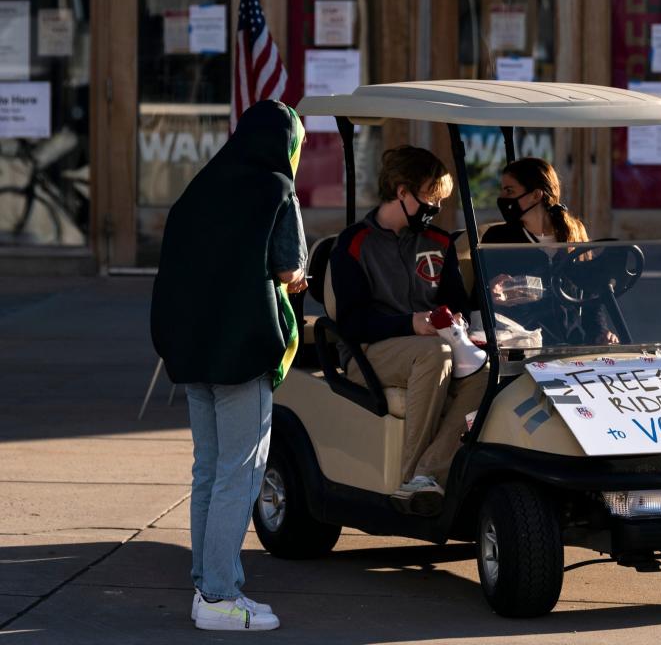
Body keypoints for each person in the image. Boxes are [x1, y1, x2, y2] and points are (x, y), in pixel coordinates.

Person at [151, 100, 308, 632]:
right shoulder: (275, 190)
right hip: (243, 352)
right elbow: (289, 268)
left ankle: (208, 587)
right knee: (239, 475)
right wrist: (294, 280)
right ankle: (219, 596)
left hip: (192, 351)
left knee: (209, 472)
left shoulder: (199, 188)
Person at [329, 145, 486, 514]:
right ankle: (409, 479)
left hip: (433, 346)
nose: (436, 210)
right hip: (369, 350)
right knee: (434, 354)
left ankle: (425, 475)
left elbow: (455, 300)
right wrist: (410, 323)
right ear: (401, 191)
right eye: (429, 199)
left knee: (488, 371)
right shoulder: (353, 244)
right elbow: (350, 321)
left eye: (439, 201)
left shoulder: (439, 243)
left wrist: (457, 320)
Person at [482, 157, 618, 345]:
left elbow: (590, 299)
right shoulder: (498, 238)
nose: (502, 198)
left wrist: (601, 334)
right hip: (523, 345)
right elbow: (475, 297)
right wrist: (489, 292)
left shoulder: (573, 234)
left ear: (536, 195)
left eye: (509, 191)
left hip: (572, 348)